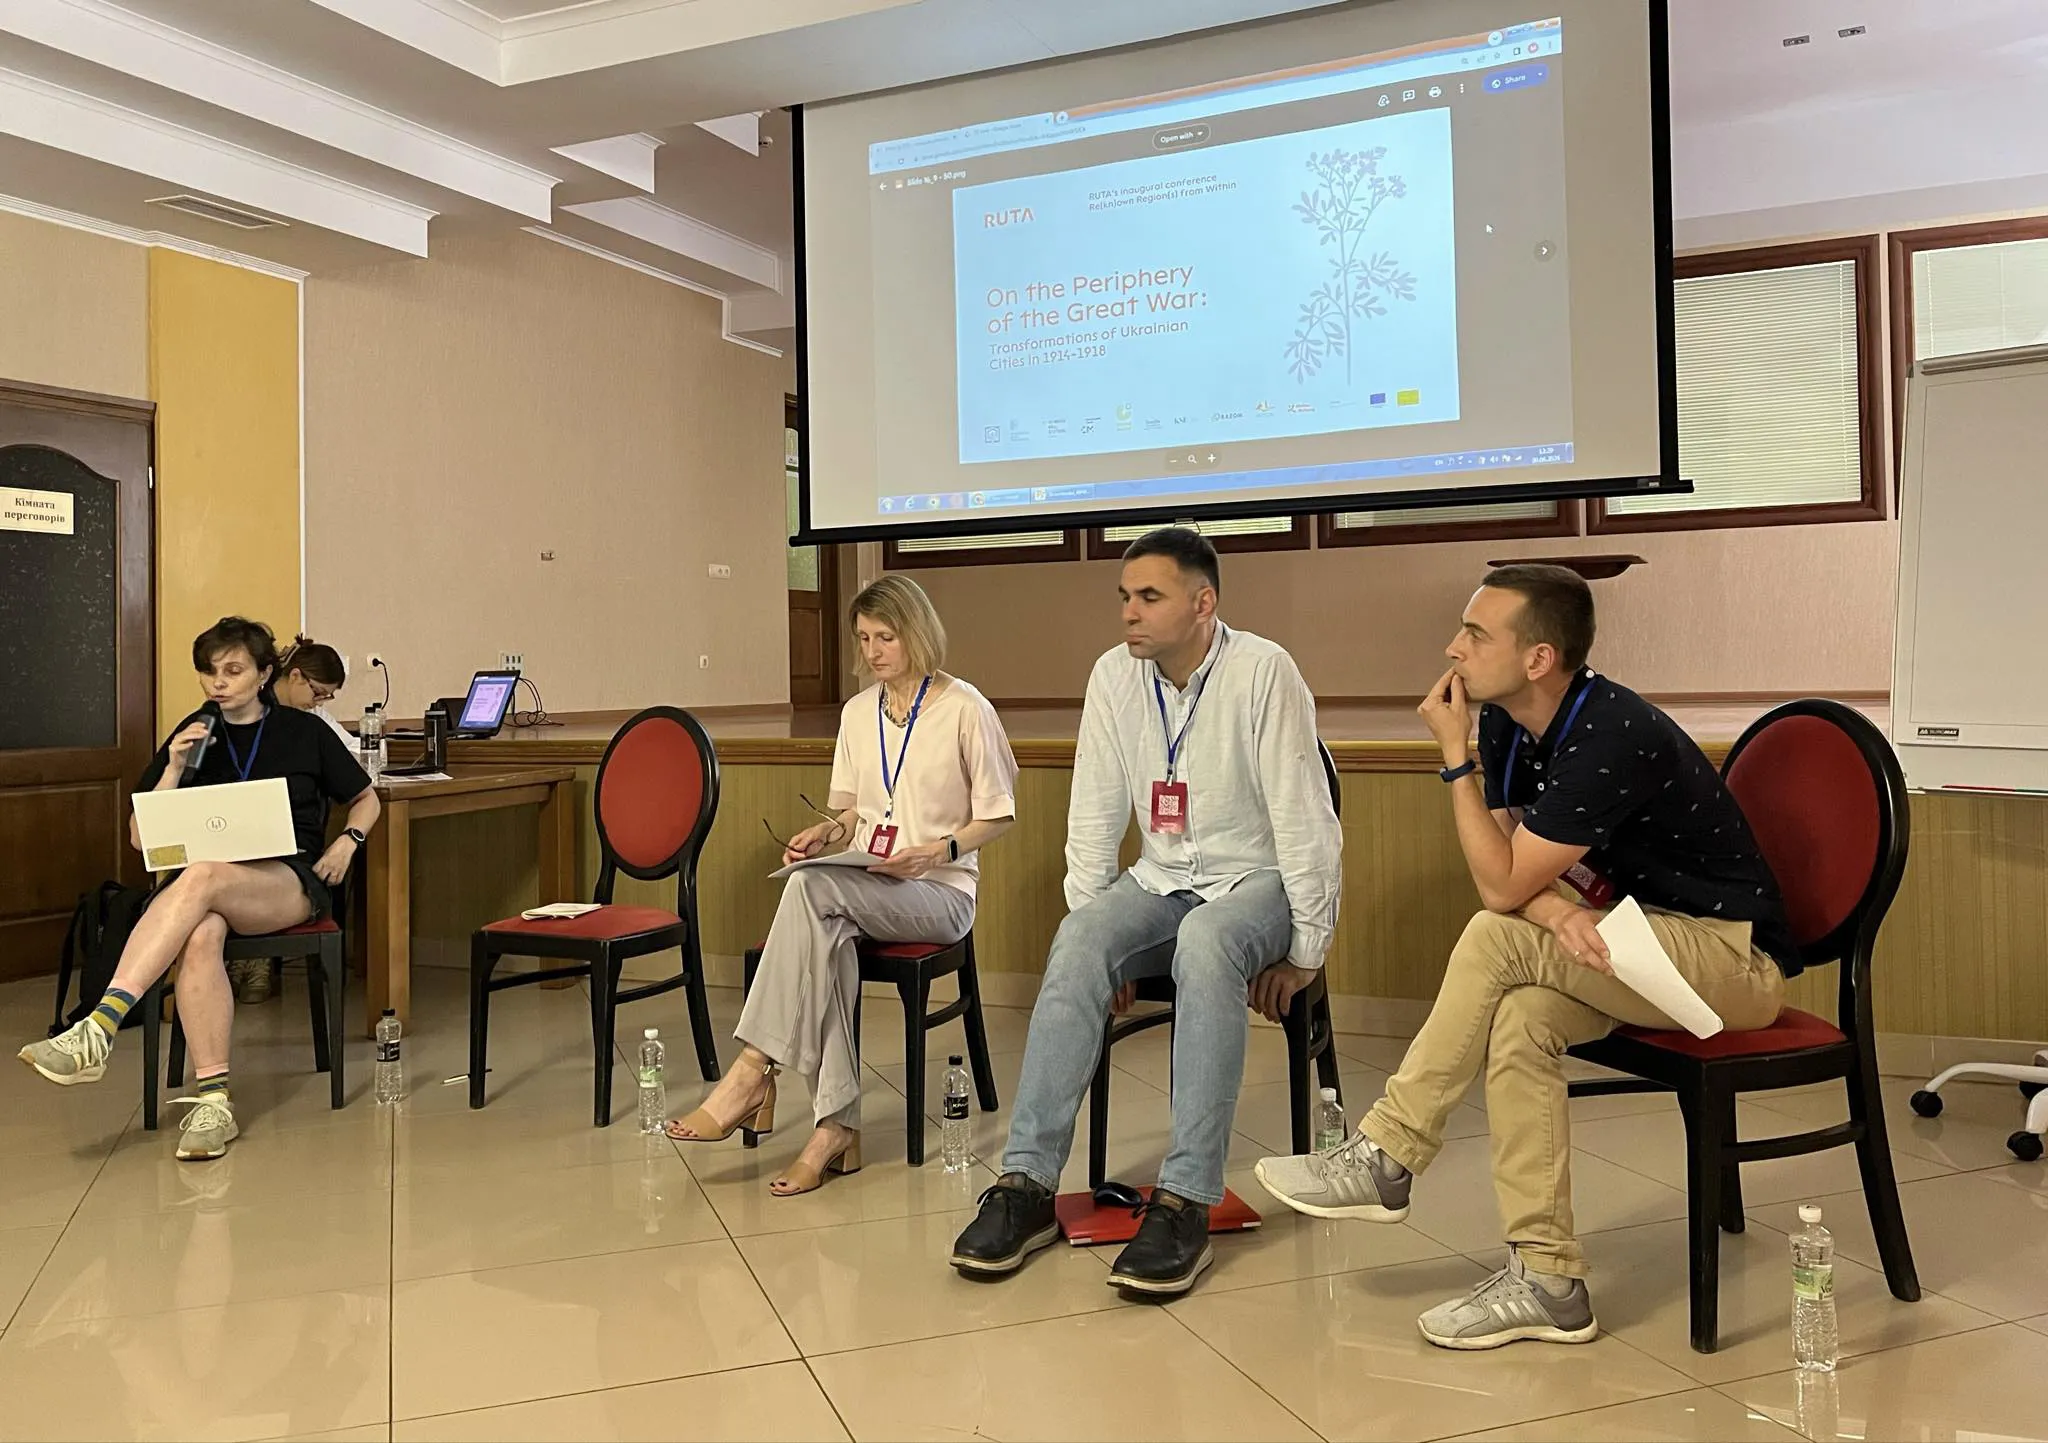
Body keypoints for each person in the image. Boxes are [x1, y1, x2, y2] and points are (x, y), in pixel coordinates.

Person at [1254, 565, 1798, 1349]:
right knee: (1521, 1019)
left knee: (1492, 934)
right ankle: (1549, 1280)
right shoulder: (1509, 723)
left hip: (1728, 960)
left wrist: (1454, 761)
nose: (1453, 647)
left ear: (1539, 658)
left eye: (1475, 634)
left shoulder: (1611, 734)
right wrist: (1554, 907)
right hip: (1625, 941)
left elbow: (1498, 886)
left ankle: (1387, 1155)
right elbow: (1513, 869)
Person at [950, 526, 1341, 1297]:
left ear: (1203, 603)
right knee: (1079, 936)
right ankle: (1026, 1184)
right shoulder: (1114, 676)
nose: (1129, 611)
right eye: (1124, 596)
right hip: (1160, 879)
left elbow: (1306, 819)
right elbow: (1094, 810)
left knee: (1206, 939)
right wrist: (1100, 941)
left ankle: (1185, 1199)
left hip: (1256, 881)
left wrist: (1307, 949)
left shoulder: (1263, 671)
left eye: (1149, 596)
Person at [667, 575, 1018, 1195]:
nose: (873, 651)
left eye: (887, 637)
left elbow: (999, 815)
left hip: (940, 893)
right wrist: (825, 834)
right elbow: (856, 812)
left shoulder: (967, 708)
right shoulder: (858, 713)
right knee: (824, 930)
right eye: (864, 638)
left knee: (809, 893)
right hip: (867, 881)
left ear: (917, 633)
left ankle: (751, 1072)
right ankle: (834, 1128)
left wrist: (937, 850)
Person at [18, 617, 381, 1160]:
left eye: (233, 670)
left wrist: (347, 843)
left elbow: (366, 799)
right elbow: (141, 838)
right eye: (209, 672)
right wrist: (173, 768)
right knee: (202, 931)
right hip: (206, 890)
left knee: (203, 875)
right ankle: (214, 1101)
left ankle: (99, 1025)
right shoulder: (194, 732)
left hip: (286, 881)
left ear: (264, 674)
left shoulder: (304, 731)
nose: (218, 682)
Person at [229, 634, 354, 1003]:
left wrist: (349, 840)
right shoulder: (239, 721)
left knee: (207, 884)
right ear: (295, 676)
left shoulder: (311, 724)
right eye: (318, 693)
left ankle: (253, 961)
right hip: (238, 844)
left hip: (290, 857)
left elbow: (353, 765)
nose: (319, 703)